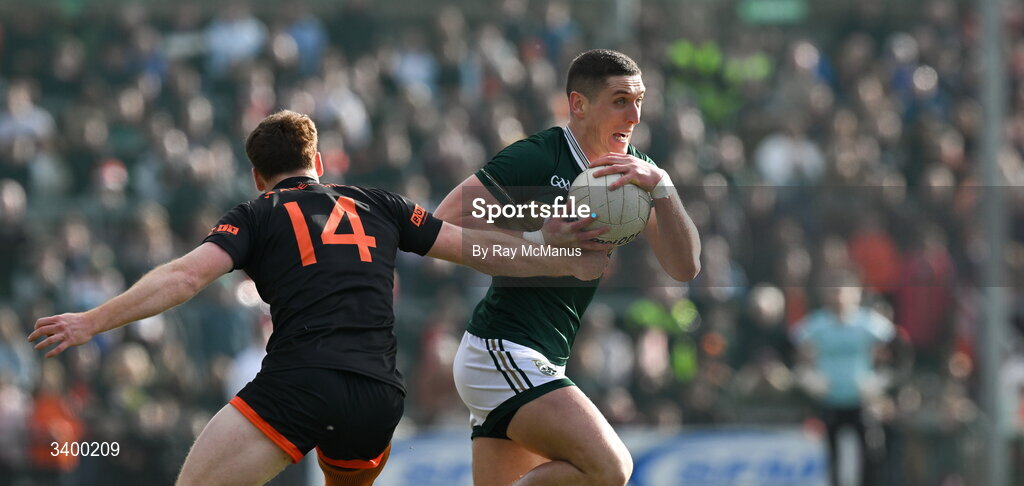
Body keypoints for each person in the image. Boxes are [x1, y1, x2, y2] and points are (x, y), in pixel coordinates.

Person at [28, 110, 610, 486]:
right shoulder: (377, 202)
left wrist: (91, 321)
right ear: (320, 165)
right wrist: (554, 251)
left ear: (258, 176)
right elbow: (477, 250)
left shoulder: (255, 214)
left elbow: (183, 278)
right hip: (379, 397)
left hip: (301, 379)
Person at [434, 49, 701, 486]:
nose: (634, 115)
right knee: (610, 468)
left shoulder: (635, 172)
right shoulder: (538, 158)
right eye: (620, 100)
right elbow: (441, 225)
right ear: (578, 104)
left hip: (542, 356)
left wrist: (665, 189)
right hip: (502, 348)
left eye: (640, 100)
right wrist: (541, 241)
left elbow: (685, 266)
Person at [791, 272, 895, 486]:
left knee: (870, 454)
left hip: (860, 400)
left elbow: (900, 351)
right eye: (834, 292)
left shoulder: (869, 323)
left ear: (856, 294)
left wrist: (880, 381)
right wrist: (808, 378)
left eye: (843, 291)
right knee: (832, 457)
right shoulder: (816, 324)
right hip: (830, 400)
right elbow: (790, 351)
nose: (839, 298)